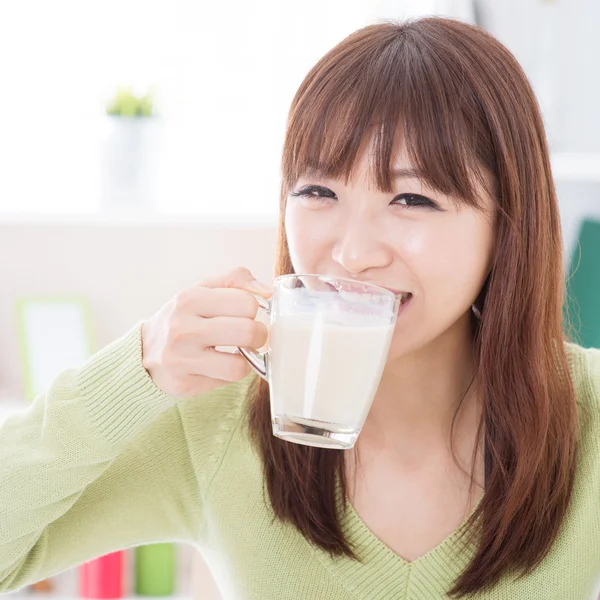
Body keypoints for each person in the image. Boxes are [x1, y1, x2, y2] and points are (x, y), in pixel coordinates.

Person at [1, 16, 599, 600]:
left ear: (507, 225)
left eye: (413, 198)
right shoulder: (212, 421)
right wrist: (136, 371)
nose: (353, 252)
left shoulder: (588, 416)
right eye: (318, 191)